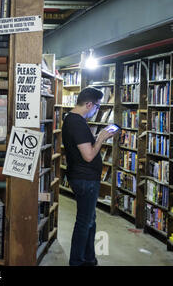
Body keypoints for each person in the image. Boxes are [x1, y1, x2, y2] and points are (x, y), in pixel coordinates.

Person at [61, 87, 118, 266]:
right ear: (88, 104)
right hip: (84, 179)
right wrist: (101, 138)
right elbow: (88, 156)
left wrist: (95, 138)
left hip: (83, 177)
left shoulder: (72, 120)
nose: (97, 110)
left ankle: (88, 259)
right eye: (97, 107)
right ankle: (77, 261)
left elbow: (83, 147)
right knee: (84, 223)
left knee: (89, 221)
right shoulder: (77, 122)